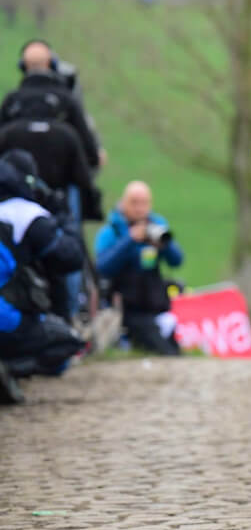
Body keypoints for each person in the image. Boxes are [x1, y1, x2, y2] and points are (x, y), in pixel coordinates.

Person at [0, 150, 86, 391]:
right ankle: (9, 367)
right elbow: (70, 257)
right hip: (6, 320)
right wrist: (63, 215)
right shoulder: (25, 214)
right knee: (68, 343)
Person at [95, 181, 184, 356]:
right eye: (134, 202)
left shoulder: (157, 225)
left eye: (144, 203)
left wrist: (164, 245)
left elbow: (177, 260)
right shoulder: (110, 232)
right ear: (123, 202)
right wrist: (130, 240)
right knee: (165, 353)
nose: (139, 209)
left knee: (174, 352)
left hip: (156, 306)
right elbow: (102, 267)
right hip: (126, 310)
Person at [7, 40, 102, 171]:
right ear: (51, 64)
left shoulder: (11, 102)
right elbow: (91, 153)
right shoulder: (67, 101)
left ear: (23, 66)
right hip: (62, 186)